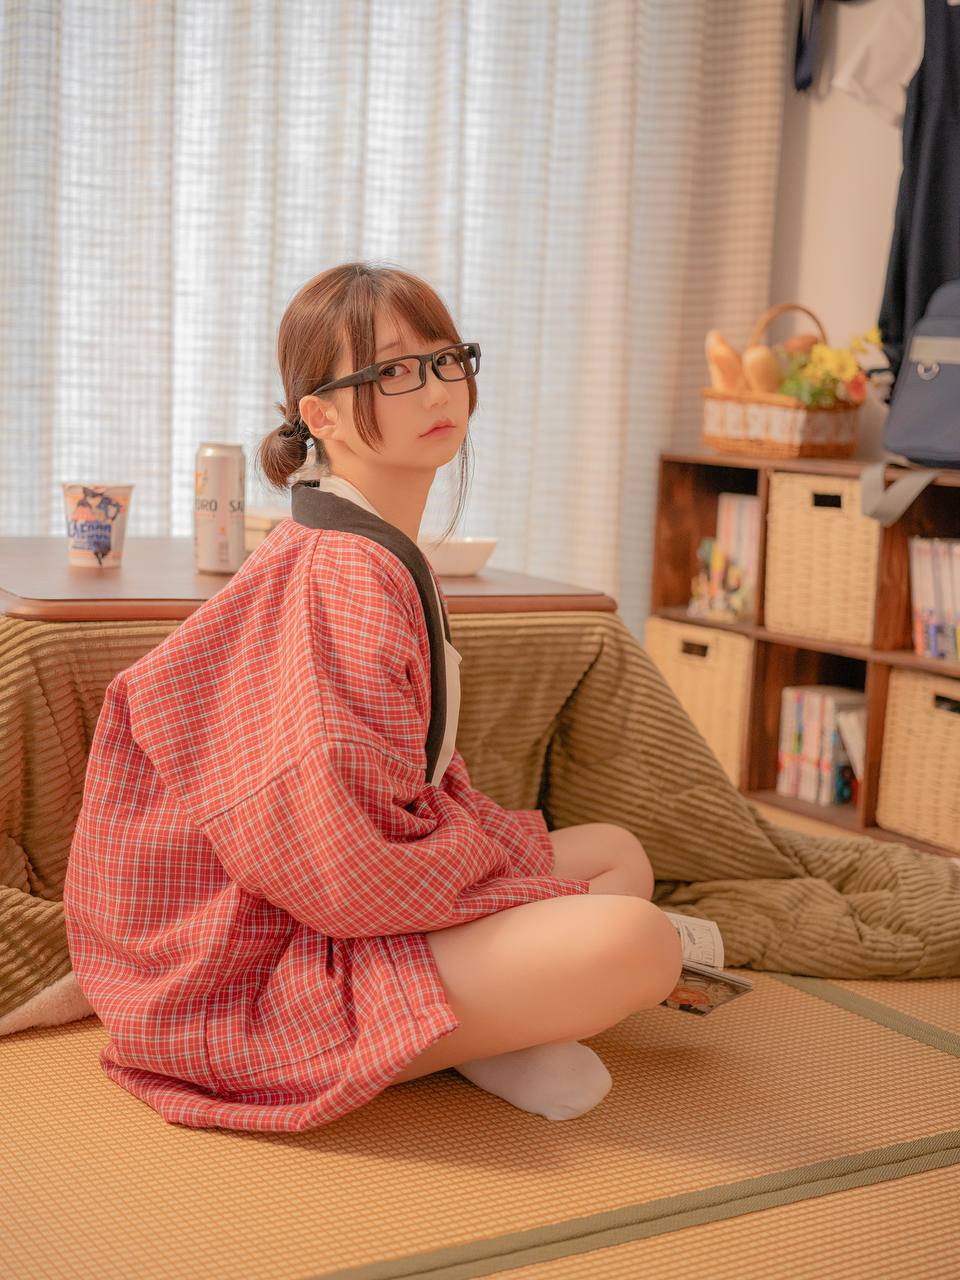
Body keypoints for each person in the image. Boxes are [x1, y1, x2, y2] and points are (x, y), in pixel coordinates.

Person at [62, 261, 682, 1133]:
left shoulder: (374, 546)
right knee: (639, 942)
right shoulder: (348, 570)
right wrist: (495, 880)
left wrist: (492, 867)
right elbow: (341, 867)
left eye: (445, 359)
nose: (435, 388)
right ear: (319, 415)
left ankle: (477, 1032)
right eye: (393, 370)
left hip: (347, 890)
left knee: (617, 856)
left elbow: (400, 800)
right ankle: (448, 1034)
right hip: (255, 956)